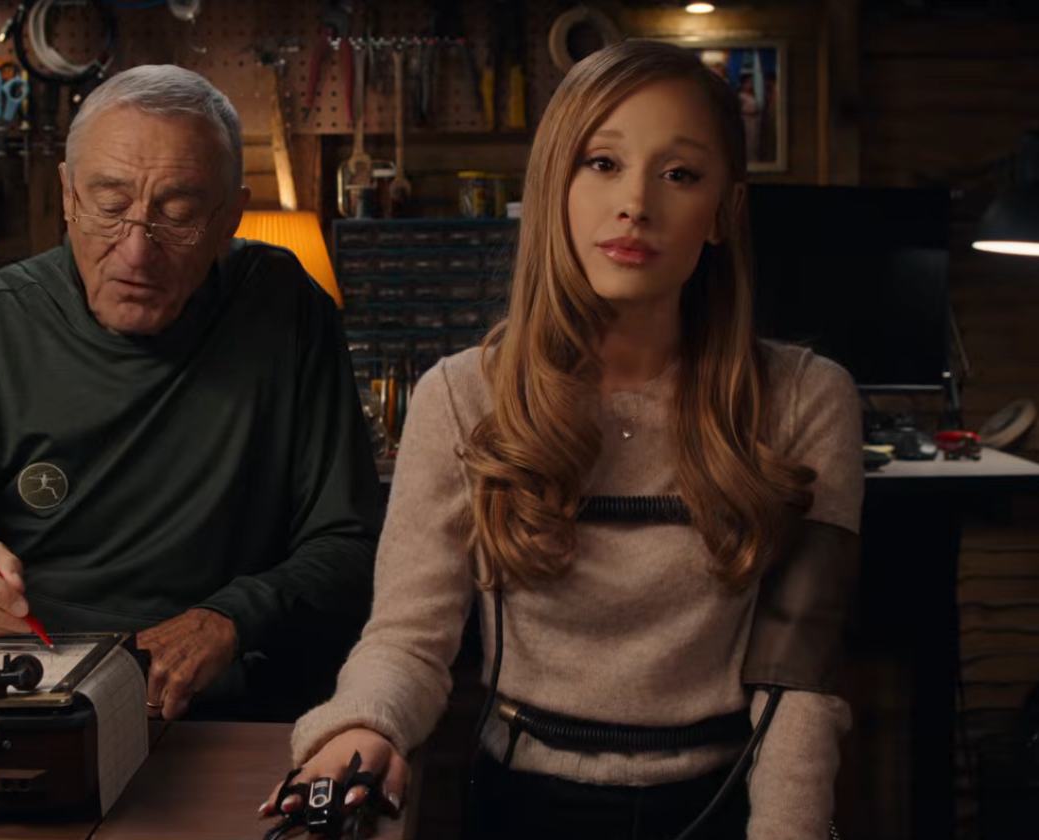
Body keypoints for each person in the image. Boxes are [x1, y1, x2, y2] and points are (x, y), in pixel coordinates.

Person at [261, 41, 863, 839]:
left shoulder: (807, 398)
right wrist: (359, 729)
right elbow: (408, 641)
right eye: (602, 163)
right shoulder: (460, 397)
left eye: (679, 173)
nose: (635, 203)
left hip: (724, 802)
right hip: (521, 806)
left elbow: (800, 684)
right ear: (552, 189)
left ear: (724, 212)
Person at [0, 65, 382, 723]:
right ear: (68, 196)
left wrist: (232, 618)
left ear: (229, 218)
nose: (136, 253)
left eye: (178, 215)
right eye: (109, 207)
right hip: (38, 694)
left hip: (225, 699)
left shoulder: (286, 311)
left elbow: (351, 546)